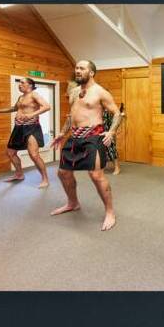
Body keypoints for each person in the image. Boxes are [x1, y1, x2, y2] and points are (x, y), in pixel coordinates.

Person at [50, 60, 122, 231]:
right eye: (76, 68)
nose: (77, 71)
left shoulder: (100, 92)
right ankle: (73, 203)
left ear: (91, 73)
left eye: (82, 68)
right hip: (74, 137)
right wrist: (62, 132)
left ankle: (110, 212)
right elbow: (71, 115)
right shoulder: (75, 91)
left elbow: (117, 113)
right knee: (63, 173)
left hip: (93, 137)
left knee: (96, 176)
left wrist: (111, 131)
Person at [0, 77, 51, 188]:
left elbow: (47, 106)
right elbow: (15, 108)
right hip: (19, 127)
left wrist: (32, 114)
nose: (19, 84)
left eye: (22, 83)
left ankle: (45, 179)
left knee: (34, 154)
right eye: (19, 83)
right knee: (10, 152)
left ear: (30, 85)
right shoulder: (21, 97)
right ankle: (19, 174)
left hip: (32, 127)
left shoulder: (34, 95)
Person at [103, 102, 125, 175]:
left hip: (109, 131)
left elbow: (116, 119)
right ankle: (101, 166)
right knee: (102, 150)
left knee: (111, 149)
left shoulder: (110, 109)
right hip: (100, 131)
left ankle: (117, 167)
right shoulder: (99, 109)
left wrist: (112, 132)